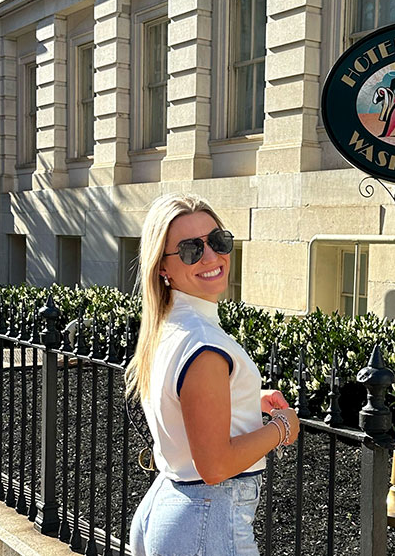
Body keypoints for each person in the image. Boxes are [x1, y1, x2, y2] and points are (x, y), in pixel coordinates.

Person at [126, 193, 301, 556]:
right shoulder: (202, 343)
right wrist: (282, 427)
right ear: (163, 267)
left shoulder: (170, 326)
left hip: (176, 509)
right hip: (208, 519)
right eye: (191, 250)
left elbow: (183, 402)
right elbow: (216, 465)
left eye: (218, 241)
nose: (211, 257)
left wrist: (246, 398)